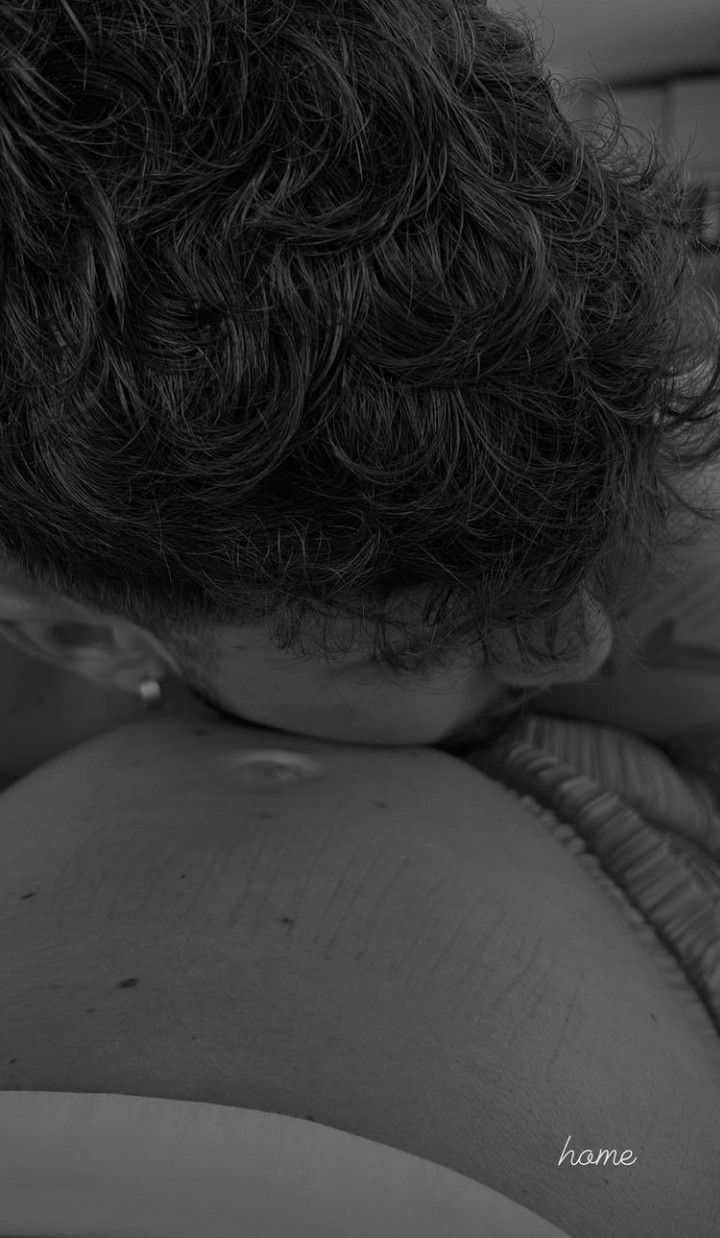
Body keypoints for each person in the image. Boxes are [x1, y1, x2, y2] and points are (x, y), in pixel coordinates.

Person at [0, 0, 720, 1233]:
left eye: (588, 548)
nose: (580, 642)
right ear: (89, 636)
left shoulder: (651, 460)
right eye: (425, 632)